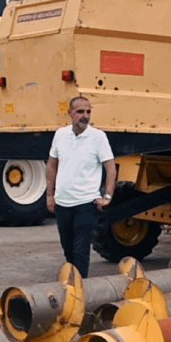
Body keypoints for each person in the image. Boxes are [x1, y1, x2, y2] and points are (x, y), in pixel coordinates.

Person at [46, 96, 116, 278]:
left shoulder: (98, 137)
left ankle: (80, 291)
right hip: (63, 203)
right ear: (70, 114)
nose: (85, 116)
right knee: (68, 250)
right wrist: (49, 195)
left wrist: (107, 196)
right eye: (80, 112)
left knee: (80, 250)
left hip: (86, 203)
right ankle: (72, 286)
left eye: (88, 111)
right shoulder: (60, 135)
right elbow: (52, 165)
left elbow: (110, 168)